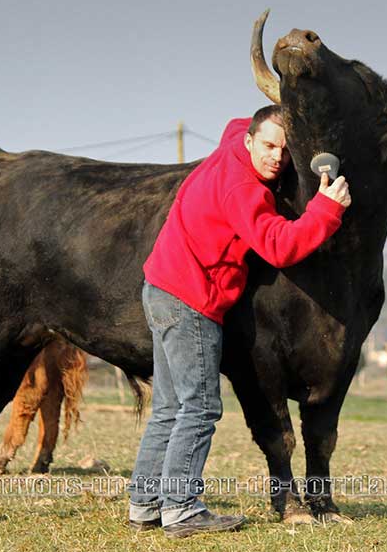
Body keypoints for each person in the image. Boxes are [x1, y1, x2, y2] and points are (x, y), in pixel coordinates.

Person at [128, 105, 351, 539]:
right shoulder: (243, 191)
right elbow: (277, 246)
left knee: (170, 409)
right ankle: (181, 508)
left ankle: (145, 503)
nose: (276, 159)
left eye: (286, 151)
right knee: (200, 408)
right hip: (190, 299)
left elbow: (240, 123)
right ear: (250, 140)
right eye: (268, 146)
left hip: (159, 287)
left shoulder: (231, 143)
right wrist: (325, 209)